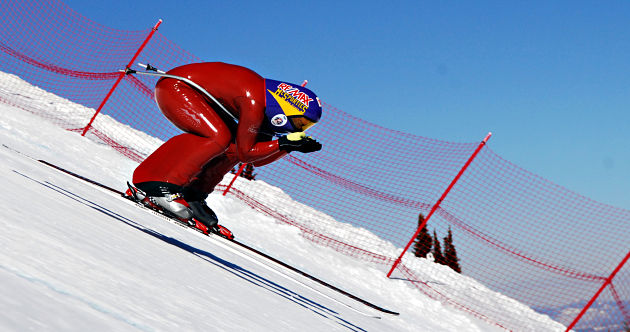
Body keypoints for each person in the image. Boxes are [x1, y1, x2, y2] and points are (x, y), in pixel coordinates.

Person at [130, 62, 322, 230]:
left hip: (195, 93)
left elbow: (255, 160)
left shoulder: (267, 109)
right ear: (286, 107)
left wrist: (288, 147)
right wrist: (283, 143)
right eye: (301, 122)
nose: (301, 128)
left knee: (232, 147)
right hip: (176, 86)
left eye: (307, 125)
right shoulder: (255, 101)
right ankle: (155, 183)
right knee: (218, 137)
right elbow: (248, 154)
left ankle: (193, 194)